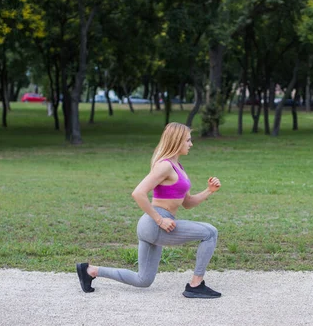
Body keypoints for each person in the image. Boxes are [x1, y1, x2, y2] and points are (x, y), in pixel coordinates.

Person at [76, 122, 222, 298]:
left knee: (143, 280)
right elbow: (138, 193)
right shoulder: (165, 166)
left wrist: (209, 191)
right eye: (188, 140)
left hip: (151, 225)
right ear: (177, 141)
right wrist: (160, 220)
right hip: (156, 224)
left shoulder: (178, 167)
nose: (191, 144)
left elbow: (188, 203)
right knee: (210, 233)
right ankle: (195, 285)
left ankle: (91, 270)